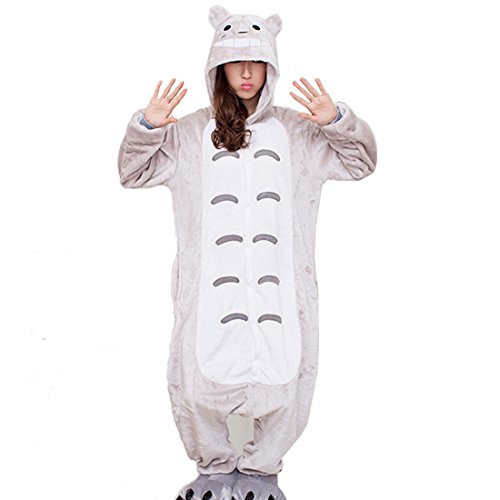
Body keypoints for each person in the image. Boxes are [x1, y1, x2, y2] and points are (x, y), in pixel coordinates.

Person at [117, 5, 377, 500]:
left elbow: (360, 163)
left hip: (282, 285)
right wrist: (148, 127)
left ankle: (261, 472)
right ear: (217, 67)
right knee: (196, 377)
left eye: (257, 62)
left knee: (288, 372)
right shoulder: (189, 131)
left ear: (271, 67)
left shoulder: (298, 131)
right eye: (235, 62)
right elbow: (133, 172)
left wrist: (337, 122)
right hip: (208, 287)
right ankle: (212, 468)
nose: (246, 73)